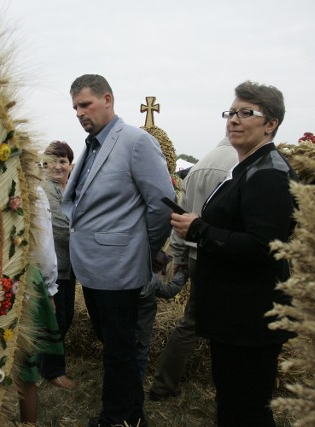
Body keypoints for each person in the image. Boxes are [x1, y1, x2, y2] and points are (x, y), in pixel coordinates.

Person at [172, 81, 297, 426]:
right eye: (231, 113)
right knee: (233, 401)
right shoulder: (247, 167)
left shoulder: (269, 174)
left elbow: (262, 247)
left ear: (270, 123)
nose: (234, 121)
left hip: (250, 319)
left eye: (246, 113)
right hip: (235, 315)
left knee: (248, 408)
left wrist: (199, 230)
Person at [62, 74, 175, 427]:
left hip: (121, 269)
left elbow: (161, 206)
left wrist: (143, 250)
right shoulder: (92, 145)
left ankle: (114, 418)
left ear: (107, 99)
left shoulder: (135, 142)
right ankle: (133, 414)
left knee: (118, 352)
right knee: (116, 348)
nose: (80, 113)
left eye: (86, 104)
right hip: (94, 268)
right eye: (75, 107)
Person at [148, 136, 238, 401]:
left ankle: (164, 382)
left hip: (197, 255)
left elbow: (181, 220)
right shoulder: (238, 166)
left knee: (191, 322)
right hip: (222, 254)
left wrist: (176, 257)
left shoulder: (199, 167)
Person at [19, 185, 61, 424]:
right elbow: (43, 246)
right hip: (19, 282)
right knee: (25, 366)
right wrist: (49, 289)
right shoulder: (29, 185)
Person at [39, 140, 77, 389]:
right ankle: (52, 370)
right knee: (57, 319)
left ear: (70, 165)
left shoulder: (69, 189)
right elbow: (62, 228)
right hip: (53, 266)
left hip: (68, 266)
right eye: (52, 160)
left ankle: (45, 362)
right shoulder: (46, 189)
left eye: (62, 161)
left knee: (66, 316)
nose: (57, 166)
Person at [135, 249, 187, 383]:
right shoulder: (152, 280)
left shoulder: (122, 273)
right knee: (140, 354)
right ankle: (136, 385)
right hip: (143, 328)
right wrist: (182, 273)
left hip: (122, 324)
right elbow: (169, 291)